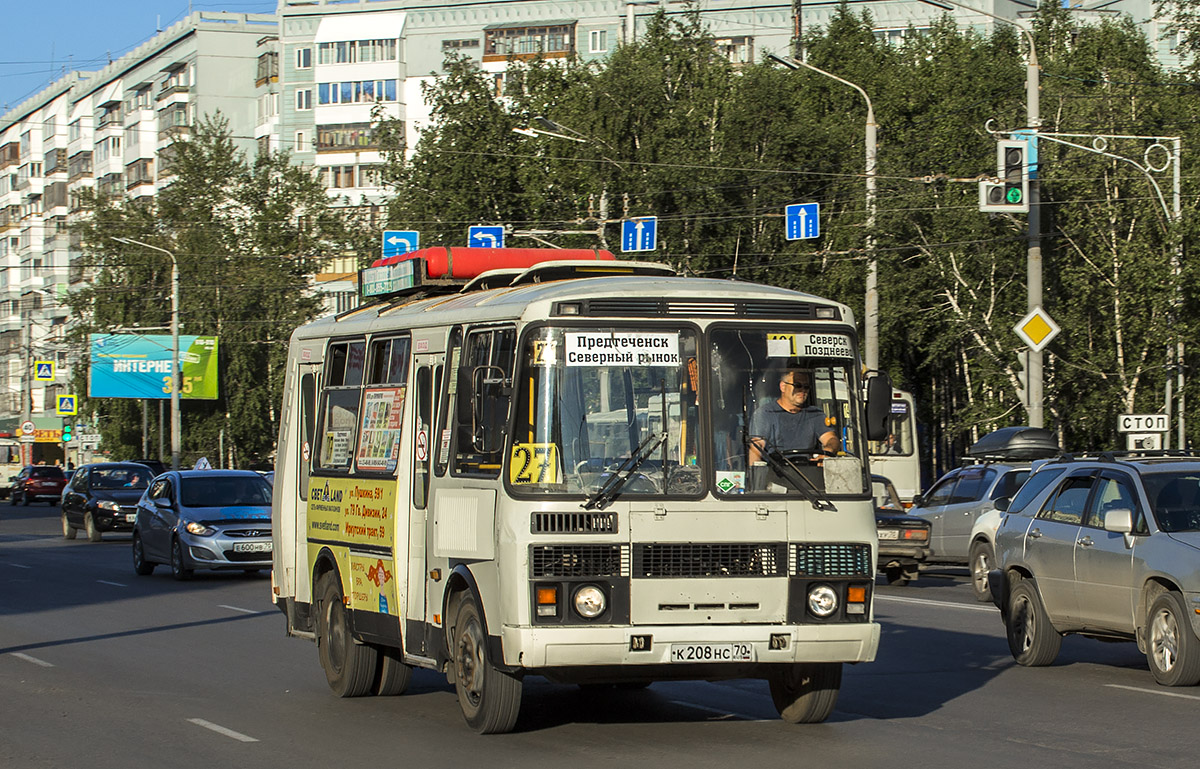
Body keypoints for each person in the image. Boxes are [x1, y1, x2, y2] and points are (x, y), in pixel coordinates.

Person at [748, 368, 840, 466]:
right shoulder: (765, 413)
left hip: (809, 474)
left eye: (806, 387)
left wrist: (828, 451)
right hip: (776, 473)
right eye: (797, 385)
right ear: (783, 387)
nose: (802, 390)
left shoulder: (815, 413)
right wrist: (756, 475)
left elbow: (831, 439)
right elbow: (757, 446)